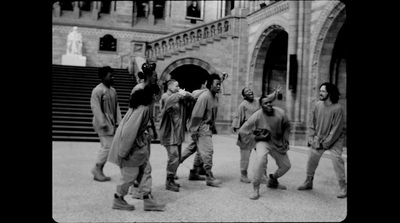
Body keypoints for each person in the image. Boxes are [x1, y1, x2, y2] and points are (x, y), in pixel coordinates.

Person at [108, 84, 166, 211]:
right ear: (155, 96)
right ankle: (118, 198)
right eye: (159, 94)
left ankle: (148, 199)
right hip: (131, 149)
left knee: (146, 170)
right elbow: (129, 131)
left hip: (138, 148)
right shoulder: (143, 108)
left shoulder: (144, 106)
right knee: (130, 176)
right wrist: (123, 152)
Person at [297, 82, 347, 199]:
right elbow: (312, 122)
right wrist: (311, 136)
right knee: (311, 158)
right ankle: (309, 181)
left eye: (323, 91)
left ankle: (343, 186)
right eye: (320, 91)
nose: (320, 93)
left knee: (337, 160)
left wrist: (324, 144)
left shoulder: (338, 108)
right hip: (319, 137)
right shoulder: (318, 105)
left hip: (335, 140)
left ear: (329, 93)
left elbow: (336, 130)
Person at [239, 94, 291, 200]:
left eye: (270, 102)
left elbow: (287, 125)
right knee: (260, 159)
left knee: (286, 165)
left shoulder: (280, 113)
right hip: (264, 141)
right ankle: (255, 188)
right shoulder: (257, 115)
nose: (269, 104)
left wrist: (285, 139)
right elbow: (243, 130)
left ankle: (273, 180)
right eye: (265, 103)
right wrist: (255, 135)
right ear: (261, 106)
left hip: (277, 142)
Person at [179, 73, 228, 181]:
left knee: (193, 149)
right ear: (210, 85)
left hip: (206, 127)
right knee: (208, 151)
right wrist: (195, 131)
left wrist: (221, 79)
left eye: (220, 84)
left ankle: (194, 172)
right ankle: (209, 176)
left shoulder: (213, 95)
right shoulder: (205, 97)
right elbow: (196, 116)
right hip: (201, 128)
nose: (219, 86)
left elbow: (215, 84)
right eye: (217, 84)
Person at [231, 86, 281, 184]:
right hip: (246, 134)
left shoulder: (258, 101)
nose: (250, 91)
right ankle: (243, 175)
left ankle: (262, 175)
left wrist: (275, 93)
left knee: (263, 154)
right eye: (247, 91)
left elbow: (268, 98)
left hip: (258, 133)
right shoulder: (242, 105)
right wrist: (238, 131)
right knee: (245, 156)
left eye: (250, 90)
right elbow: (238, 117)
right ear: (244, 96)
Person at [128, 62, 160, 199]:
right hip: (138, 130)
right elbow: (135, 112)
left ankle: (137, 186)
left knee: (144, 159)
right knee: (143, 161)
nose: (156, 78)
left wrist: (152, 127)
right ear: (148, 76)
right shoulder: (139, 88)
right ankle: (141, 190)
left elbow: (148, 112)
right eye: (155, 75)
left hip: (145, 130)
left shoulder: (150, 89)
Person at [159, 79, 194, 192]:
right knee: (173, 156)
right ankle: (169, 181)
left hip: (177, 132)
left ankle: (172, 178)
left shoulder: (177, 97)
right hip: (169, 131)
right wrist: (181, 94)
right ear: (169, 86)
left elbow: (190, 98)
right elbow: (169, 102)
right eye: (176, 85)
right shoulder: (166, 96)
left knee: (177, 156)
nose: (179, 87)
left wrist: (185, 96)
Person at [90, 66, 121, 182]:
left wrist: (120, 121)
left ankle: (98, 170)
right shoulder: (98, 90)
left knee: (106, 147)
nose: (113, 78)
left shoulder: (113, 91)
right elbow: (95, 106)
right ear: (103, 77)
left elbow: (116, 107)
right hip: (102, 123)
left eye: (113, 75)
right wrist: (102, 121)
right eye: (110, 76)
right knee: (108, 147)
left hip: (111, 122)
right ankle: (97, 168)